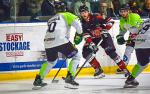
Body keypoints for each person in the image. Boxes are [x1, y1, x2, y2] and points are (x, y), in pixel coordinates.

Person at [33, 1, 83, 89]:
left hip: (48, 42)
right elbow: (78, 24)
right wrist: (79, 34)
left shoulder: (51, 19)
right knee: (76, 56)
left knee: (51, 61)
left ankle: (39, 79)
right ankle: (70, 79)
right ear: (65, 8)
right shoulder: (67, 15)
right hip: (60, 40)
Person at [78, 5, 129, 78]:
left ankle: (125, 69)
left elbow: (110, 21)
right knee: (86, 52)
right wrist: (92, 44)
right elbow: (86, 36)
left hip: (104, 36)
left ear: (88, 12)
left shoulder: (96, 16)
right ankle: (98, 70)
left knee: (110, 51)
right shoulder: (82, 23)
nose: (84, 14)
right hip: (93, 39)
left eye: (85, 12)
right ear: (80, 14)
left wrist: (104, 29)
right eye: (82, 13)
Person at [124, 11, 150, 88]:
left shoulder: (144, 21)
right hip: (148, 43)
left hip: (139, 44)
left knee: (142, 64)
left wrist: (126, 26)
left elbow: (134, 31)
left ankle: (130, 79)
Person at [116, 4, 143, 74]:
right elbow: (122, 31)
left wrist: (133, 37)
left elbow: (137, 30)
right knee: (128, 49)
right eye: (121, 11)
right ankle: (123, 67)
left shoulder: (134, 16)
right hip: (133, 35)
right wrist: (120, 37)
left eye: (124, 11)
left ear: (128, 11)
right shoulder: (122, 20)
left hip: (144, 34)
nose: (122, 13)